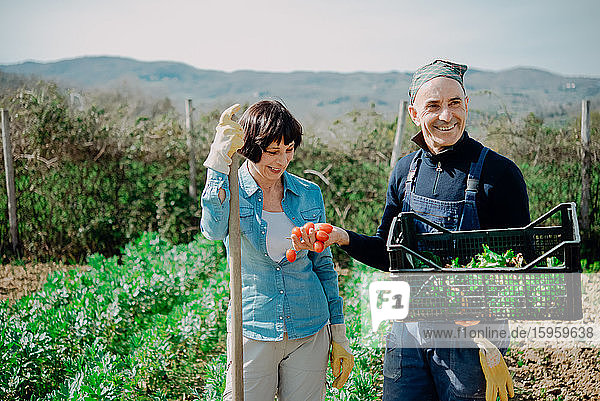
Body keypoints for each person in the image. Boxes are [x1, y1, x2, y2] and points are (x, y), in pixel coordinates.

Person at [293, 60, 529, 401]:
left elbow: (523, 266)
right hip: (408, 331)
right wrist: (343, 238)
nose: (446, 116)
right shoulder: (405, 172)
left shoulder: (500, 175)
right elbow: (389, 253)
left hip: (470, 341)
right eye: (433, 106)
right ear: (414, 111)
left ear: (467, 105)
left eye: (454, 103)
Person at [200, 100, 354, 401]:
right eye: (273, 151)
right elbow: (212, 230)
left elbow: (324, 267)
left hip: (310, 329)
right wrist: (217, 164)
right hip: (253, 328)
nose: (282, 160)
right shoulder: (231, 189)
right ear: (251, 147)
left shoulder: (308, 194)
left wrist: (339, 333)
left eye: (289, 149)